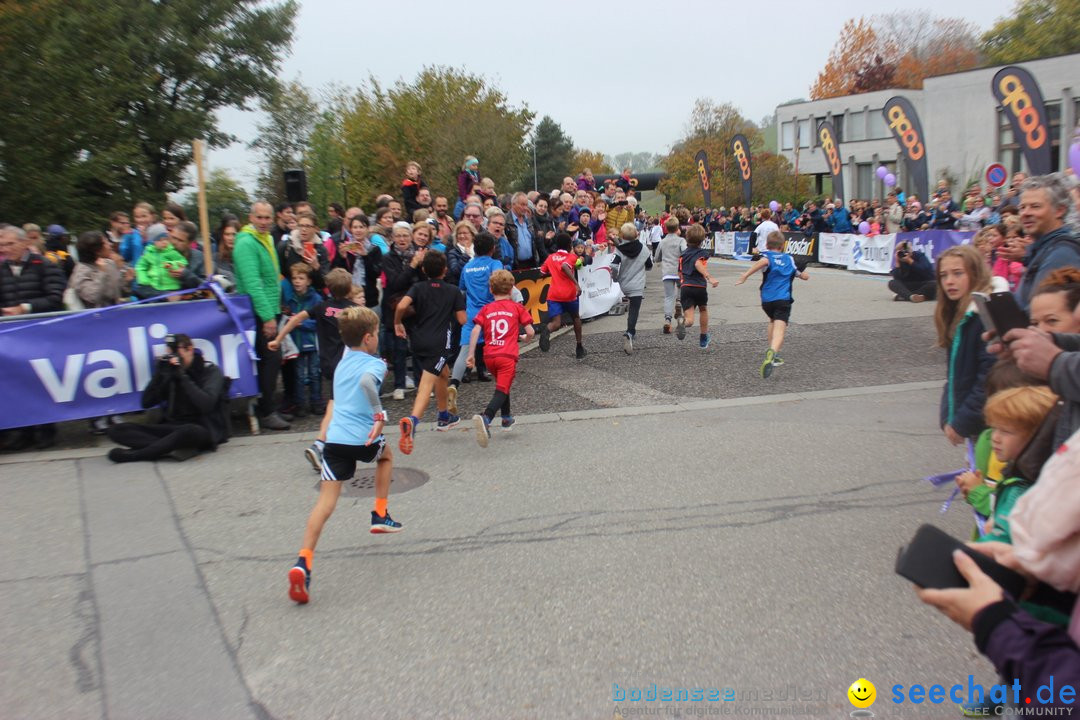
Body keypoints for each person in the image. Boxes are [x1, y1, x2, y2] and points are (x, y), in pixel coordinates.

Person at [286, 306, 400, 605]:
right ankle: (380, 513)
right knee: (386, 457)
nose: (377, 339)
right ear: (367, 338)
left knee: (325, 503)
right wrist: (378, 414)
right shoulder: (375, 365)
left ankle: (303, 562)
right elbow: (365, 384)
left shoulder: (342, 361)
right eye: (375, 335)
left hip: (334, 440)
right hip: (362, 437)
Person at [270, 269, 360, 472]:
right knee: (337, 406)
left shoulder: (321, 307)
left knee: (340, 404)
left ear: (329, 288)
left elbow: (295, 319)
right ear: (348, 289)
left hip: (327, 364)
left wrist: (278, 339)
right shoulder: (355, 309)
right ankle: (320, 445)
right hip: (347, 364)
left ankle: (339, 445)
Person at [106, 334, 228, 463]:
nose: (175, 358)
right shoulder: (170, 372)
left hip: (201, 428)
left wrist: (182, 377)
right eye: (171, 354)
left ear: (190, 349)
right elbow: (146, 402)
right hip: (172, 427)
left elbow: (206, 404)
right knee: (117, 430)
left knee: (189, 431)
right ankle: (168, 447)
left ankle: (137, 455)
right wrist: (160, 374)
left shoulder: (210, 371)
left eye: (177, 352)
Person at [394, 251, 467, 454]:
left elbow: (401, 305)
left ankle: (443, 416)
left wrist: (397, 321)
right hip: (439, 344)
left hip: (418, 340)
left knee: (443, 374)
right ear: (445, 270)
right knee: (426, 384)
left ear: (424, 269)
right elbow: (462, 320)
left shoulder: (417, 287)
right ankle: (413, 421)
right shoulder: (452, 291)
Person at [934, 245, 1003, 446]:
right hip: (975, 422)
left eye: (957, 273)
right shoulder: (957, 313)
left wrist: (962, 422)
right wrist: (948, 416)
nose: (949, 281)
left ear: (975, 274)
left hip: (991, 424)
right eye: (943, 275)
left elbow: (989, 377)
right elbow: (954, 376)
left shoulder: (985, 315)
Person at [233, 202, 290, 430]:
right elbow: (252, 284)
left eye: (268, 217)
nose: (265, 222)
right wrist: (267, 316)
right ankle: (266, 411)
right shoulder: (247, 243)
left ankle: (268, 407)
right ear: (251, 217)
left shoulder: (263, 239)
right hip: (259, 313)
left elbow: (270, 278)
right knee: (270, 359)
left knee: (273, 360)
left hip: (269, 308)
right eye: (260, 217)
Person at [466, 270, 535, 446]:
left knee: (503, 385)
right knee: (502, 389)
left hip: (489, 356)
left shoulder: (486, 309)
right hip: (507, 355)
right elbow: (530, 331)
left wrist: (471, 354)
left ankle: (506, 418)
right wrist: (526, 339)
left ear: (491, 289)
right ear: (512, 290)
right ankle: (486, 417)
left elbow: (475, 330)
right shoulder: (517, 307)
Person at [736, 231, 810, 378]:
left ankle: (771, 351)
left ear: (767, 245)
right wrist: (805, 276)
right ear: (783, 246)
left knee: (772, 320)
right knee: (780, 329)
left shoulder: (767, 257)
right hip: (783, 299)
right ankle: (773, 352)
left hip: (767, 300)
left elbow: (762, 263)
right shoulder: (789, 258)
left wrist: (746, 275)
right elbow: (799, 274)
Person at [1014, 175, 1080, 311]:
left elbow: (1040, 313)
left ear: (1059, 210)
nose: (1025, 213)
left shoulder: (1062, 254)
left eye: (1035, 206)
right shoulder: (1044, 249)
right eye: (1022, 207)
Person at [381, 221, 425, 399]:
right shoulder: (387, 258)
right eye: (398, 236)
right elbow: (395, 282)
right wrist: (413, 266)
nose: (402, 239)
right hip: (395, 306)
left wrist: (418, 265)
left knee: (417, 347)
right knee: (399, 348)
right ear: (392, 238)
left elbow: (422, 280)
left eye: (405, 235)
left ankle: (421, 382)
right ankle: (399, 384)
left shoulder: (418, 254)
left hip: (415, 306)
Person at [279, 262, 323, 418]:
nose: (297, 281)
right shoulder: (290, 299)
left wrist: (300, 323)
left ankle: (316, 401)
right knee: (298, 375)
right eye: (294, 278)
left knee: (314, 373)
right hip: (296, 343)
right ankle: (300, 404)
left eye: (301, 278)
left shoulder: (316, 298)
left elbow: (318, 321)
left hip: (311, 341)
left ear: (309, 281)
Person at [538, 232, 587, 359]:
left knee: (556, 323)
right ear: (570, 245)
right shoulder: (571, 257)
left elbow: (541, 272)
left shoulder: (550, 257)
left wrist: (553, 273)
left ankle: (547, 330)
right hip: (569, 294)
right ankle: (579, 347)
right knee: (576, 318)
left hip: (554, 295)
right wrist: (576, 284)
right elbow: (565, 266)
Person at [676, 224, 719, 349]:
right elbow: (697, 263)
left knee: (690, 318)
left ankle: (684, 322)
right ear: (702, 240)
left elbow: (680, 272)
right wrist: (708, 276)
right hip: (699, 286)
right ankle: (703, 336)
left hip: (686, 286)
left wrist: (681, 284)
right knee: (703, 309)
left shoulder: (682, 255)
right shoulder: (702, 253)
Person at [613, 222, 652, 354]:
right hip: (637, 284)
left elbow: (613, 265)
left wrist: (614, 277)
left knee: (631, 307)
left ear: (622, 235)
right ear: (636, 234)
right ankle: (629, 332)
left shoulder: (619, 249)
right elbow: (649, 266)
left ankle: (632, 332)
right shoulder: (644, 249)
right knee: (634, 310)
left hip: (624, 283)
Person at [332, 214, 382, 309]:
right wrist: (342, 257)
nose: (358, 230)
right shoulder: (346, 247)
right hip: (349, 294)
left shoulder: (374, 249)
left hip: (369, 296)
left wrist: (365, 256)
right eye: (355, 227)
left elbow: (375, 273)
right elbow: (337, 274)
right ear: (351, 229)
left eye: (361, 227)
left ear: (367, 229)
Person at [68, 230, 123, 310]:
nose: (110, 245)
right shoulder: (80, 271)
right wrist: (101, 273)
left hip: (116, 311)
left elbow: (119, 289)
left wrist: (126, 275)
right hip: (95, 316)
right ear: (97, 251)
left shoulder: (110, 263)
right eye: (106, 243)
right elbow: (92, 297)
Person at [134, 226, 187, 296]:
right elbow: (140, 267)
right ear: (153, 242)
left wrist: (172, 264)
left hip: (172, 286)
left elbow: (183, 261)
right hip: (154, 286)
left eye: (166, 239)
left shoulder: (171, 251)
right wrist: (144, 280)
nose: (164, 242)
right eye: (160, 240)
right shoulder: (148, 253)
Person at [654, 217, 685, 334]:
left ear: (666, 229)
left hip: (667, 272)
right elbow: (685, 253)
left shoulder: (662, 242)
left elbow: (656, 258)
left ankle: (667, 320)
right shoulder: (681, 241)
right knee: (681, 288)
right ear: (677, 228)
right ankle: (679, 301)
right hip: (679, 271)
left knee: (668, 296)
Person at [505, 192, 545, 269]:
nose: (525, 208)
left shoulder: (529, 220)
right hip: (516, 266)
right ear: (513, 204)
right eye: (522, 204)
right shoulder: (506, 221)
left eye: (526, 205)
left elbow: (535, 241)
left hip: (531, 263)